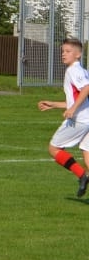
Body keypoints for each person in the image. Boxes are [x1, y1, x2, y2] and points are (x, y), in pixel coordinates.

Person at [36, 36, 89, 198]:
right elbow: (77, 99)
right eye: (63, 51)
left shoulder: (74, 70)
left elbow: (86, 88)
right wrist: (54, 104)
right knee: (88, 157)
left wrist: (73, 109)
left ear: (78, 54)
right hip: (86, 117)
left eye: (68, 51)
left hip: (80, 120)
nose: (63, 54)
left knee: (54, 148)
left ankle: (82, 176)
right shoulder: (81, 71)